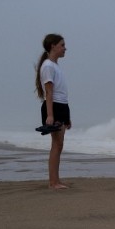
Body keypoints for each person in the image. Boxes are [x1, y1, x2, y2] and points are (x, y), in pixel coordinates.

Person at [35, 34, 71, 190]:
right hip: (54, 106)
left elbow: (61, 92)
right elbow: (49, 93)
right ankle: (53, 182)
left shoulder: (54, 65)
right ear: (53, 46)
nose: (65, 48)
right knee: (56, 144)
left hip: (61, 106)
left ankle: (56, 180)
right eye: (62, 45)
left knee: (59, 144)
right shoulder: (48, 66)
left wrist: (67, 117)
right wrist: (50, 115)